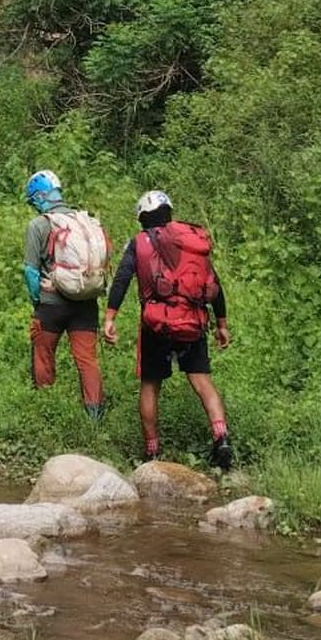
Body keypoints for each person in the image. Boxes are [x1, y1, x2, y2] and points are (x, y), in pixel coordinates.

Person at [103, 189, 233, 470]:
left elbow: (122, 279)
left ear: (142, 217)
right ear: (169, 212)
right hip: (193, 321)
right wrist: (221, 324)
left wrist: (110, 317)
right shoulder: (191, 243)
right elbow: (215, 284)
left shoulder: (139, 243)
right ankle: (221, 437)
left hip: (156, 325)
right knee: (202, 382)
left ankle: (152, 451)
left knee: (151, 385)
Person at [22, 169, 108, 419]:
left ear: (39, 197)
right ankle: (95, 415)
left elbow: (30, 271)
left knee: (43, 354)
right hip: (86, 301)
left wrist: (38, 300)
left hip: (51, 305)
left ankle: (45, 411)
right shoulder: (85, 221)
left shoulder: (38, 225)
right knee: (87, 360)